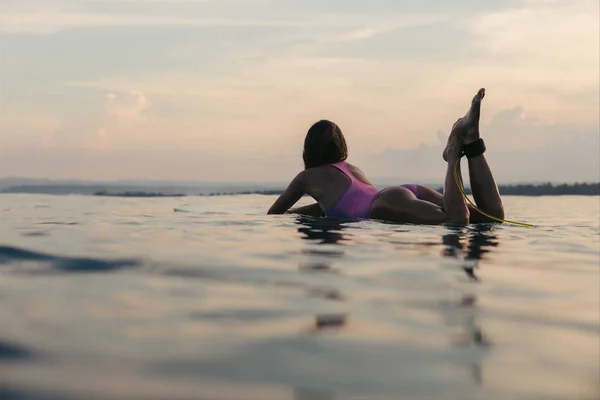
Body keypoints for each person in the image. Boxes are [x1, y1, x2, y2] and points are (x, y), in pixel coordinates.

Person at [267, 88, 505, 225]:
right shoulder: (351, 169)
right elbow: (328, 206)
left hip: (383, 204)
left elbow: (274, 215)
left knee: (455, 220)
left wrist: (294, 217)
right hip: (403, 191)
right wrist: (310, 211)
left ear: (309, 149)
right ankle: (472, 141)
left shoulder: (306, 177)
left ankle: (453, 151)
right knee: (491, 218)